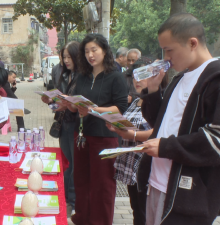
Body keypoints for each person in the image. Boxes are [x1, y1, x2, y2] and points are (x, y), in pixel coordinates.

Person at [137, 13, 220, 225]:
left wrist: (166, 147)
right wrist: (153, 90)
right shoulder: (180, 78)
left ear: (192, 43)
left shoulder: (214, 78)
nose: (166, 57)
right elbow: (160, 123)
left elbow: (216, 140)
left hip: (187, 194)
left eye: (169, 50)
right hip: (157, 183)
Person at [64, 34, 128, 225]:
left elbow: (120, 108)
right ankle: (82, 217)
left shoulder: (115, 76)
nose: (90, 55)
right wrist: (70, 105)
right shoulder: (82, 76)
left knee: (103, 184)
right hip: (82, 135)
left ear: (104, 50)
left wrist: (93, 109)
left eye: (94, 50)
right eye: (86, 51)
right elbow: (76, 105)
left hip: (105, 136)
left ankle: (100, 221)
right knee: (81, 179)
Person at [106, 59, 154, 225]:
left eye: (143, 76)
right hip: (131, 163)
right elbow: (130, 126)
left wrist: (129, 134)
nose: (138, 80)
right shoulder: (136, 100)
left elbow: (158, 133)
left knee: (144, 212)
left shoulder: (158, 102)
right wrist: (116, 126)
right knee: (136, 209)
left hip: (147, 166)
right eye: (135, 76)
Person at [42, 41, 80, 217]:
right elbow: (59, 95)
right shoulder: (64, 74)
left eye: (69, 57)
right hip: (63, 123)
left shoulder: (83, 77)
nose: (65, 60)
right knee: (66, 162)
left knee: (74, 163)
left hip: (77, 125)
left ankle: (71, 200)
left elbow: (79, 102)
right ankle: (65, 197)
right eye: (63, 57)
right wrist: (51, 100)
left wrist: (67, 103)